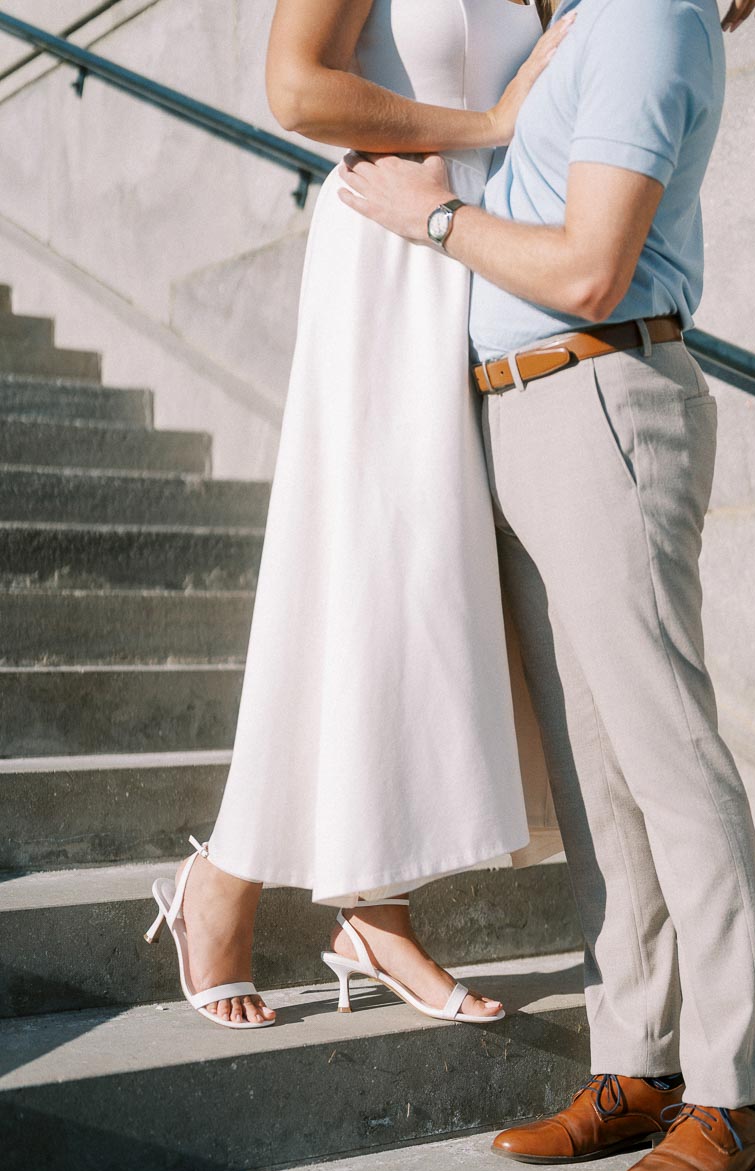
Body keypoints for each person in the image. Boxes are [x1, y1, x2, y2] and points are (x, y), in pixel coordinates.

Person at [337, 0, 755, 1171]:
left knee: (669, 757)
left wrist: (431, 215)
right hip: (536, 406)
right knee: (600, 775)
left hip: (600, 395)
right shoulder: (591, 23)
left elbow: (590, 265)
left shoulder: (647, 17)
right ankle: (635, 1066)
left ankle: (736, 1092)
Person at [144, 0, 571, 1029]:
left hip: (484, 263)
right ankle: (337, 903)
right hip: (388, 258)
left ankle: (291, 892)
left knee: (424, 582)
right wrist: (488, 124)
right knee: (376, 569)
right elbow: (296, 87)